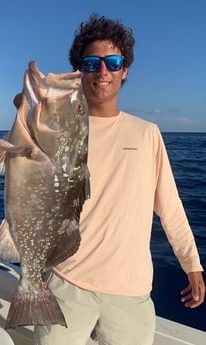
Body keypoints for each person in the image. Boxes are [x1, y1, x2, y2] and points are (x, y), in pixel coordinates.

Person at [34, 14, 205, 345]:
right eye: (91, 62)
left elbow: (170, 206)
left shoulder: (147, 133)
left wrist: (192, 264)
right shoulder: (57, 131)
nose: (102, 71)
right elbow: (34, 201)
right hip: (66, 281)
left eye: (112, 62)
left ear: (124, 70)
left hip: (130, 290)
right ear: (78, 71)